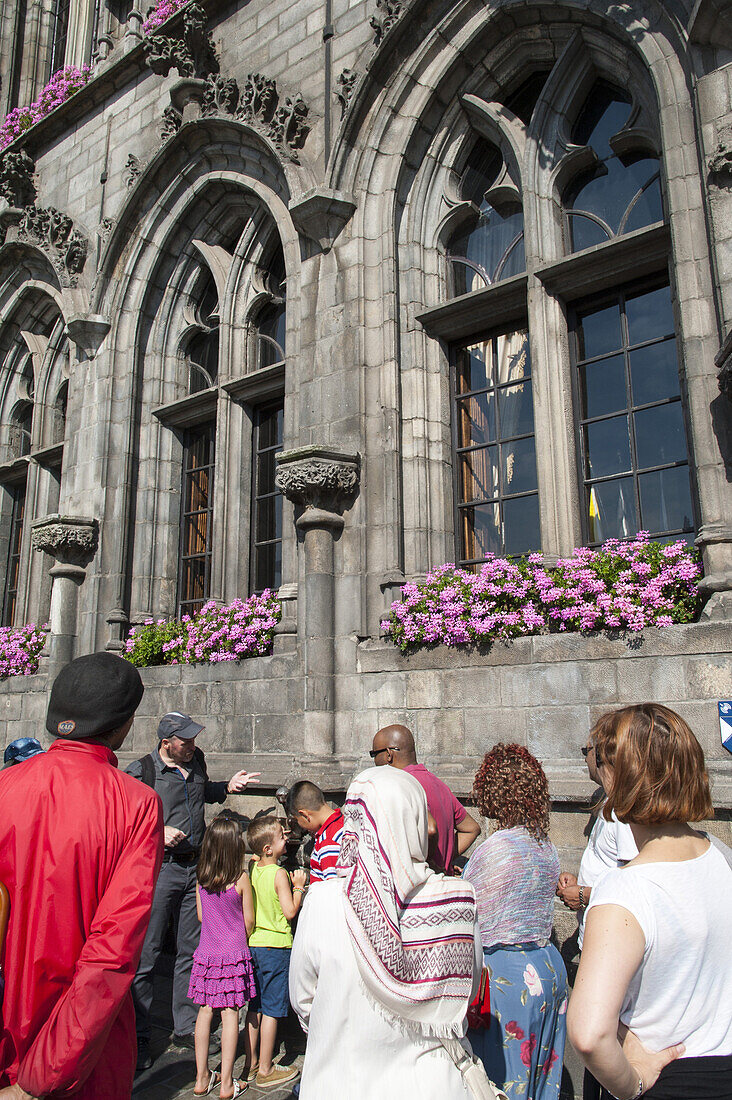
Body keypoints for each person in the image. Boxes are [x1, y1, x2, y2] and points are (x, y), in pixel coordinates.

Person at [0, 652, 163, 1100]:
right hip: (81, 1052)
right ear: (124, 724)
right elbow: (112, 950)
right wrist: (43, 1077)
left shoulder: (5, 786)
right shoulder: (136, 803)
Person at [567, 704, 732, 1100]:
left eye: (605, 761)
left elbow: (589, 1034)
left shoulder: (625, 889)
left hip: (663, 1077)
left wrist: (632, 1083)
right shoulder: (720, 855)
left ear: (623, 776)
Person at [289, 765, 481, 1098]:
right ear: (417, 819)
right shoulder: (458, 901)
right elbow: (466, 989)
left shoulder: (325, 900)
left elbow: (304, 1000)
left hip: (343, 1079)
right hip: (435, 1085)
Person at [128, 712, 261, 1068]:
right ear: (166, 742)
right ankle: (139, 1035)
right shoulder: (142, 771)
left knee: (192, 948)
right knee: (148, 953)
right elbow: (122, 815)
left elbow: (204, 792)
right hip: (161, 869)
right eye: (185, 741)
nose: (192, 746)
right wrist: (157, 829)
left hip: (197, 870)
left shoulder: (196, 760)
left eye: (193, 740)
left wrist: (226, 787)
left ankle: (186, 1026)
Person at [464, 743, 568, 1100]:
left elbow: (473, 915)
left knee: (503, 1082)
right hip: (548, 966)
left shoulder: (497, 848)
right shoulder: (544, 844)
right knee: (543, 1079)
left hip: (508, 978)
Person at [189, 814, 257, 1100]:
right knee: (231, 1014)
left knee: (205, 1012)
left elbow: (203, 916)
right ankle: (227, 1083)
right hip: (233, 952)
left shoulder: (201, 878)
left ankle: (201, 1077)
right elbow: (249, 921)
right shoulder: (240, 879)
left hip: (207, 952)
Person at [556, 713, 637, 951]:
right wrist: (579, 883)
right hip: (600, 933)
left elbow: (636, 884)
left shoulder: (623, 809)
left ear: (602, 753)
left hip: (615, 939)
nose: (585, 759)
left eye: (587, 751)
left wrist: (583, 894)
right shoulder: (609, 801)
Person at [244, 817, 305, 1090]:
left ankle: (252, 1061)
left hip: (255, 944)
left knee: (254, 1007)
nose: (287, 838)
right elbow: (290, 911)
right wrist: (299, 886)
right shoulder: (279, 874)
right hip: (277, 946)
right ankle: (267, 1069)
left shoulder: (253, 868)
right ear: (268, 848)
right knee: (271, 1009)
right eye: (282, 836)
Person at [370, 723, 480, 873]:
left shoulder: (402, 784)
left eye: (374, 754)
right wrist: (445, 861)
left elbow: (430, 829)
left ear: (389, 754)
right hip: (441, 885)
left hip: (418, 890)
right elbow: (471, 829)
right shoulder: (438, 784)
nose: (374, 761)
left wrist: (429, 864)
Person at [285, 780, 344, 883]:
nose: (299, 825)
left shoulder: (328, 841)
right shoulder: (343, 823)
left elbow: (333, 888)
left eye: (298, 820)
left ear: (305, 815)